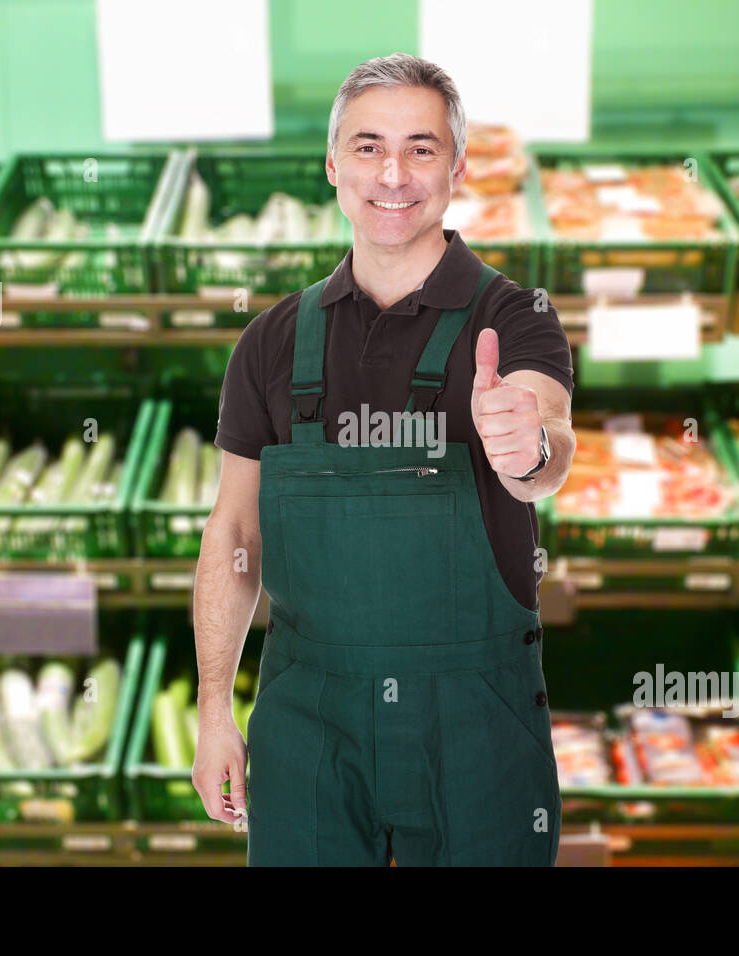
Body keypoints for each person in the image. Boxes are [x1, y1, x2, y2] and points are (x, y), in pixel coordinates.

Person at [190, 53, 574, 866]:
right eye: (367, 147)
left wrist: (526, 443)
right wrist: (213, 709)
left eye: (421, 148)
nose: (392, 173)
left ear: (458, 168)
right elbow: (233, 535)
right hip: (308, 721)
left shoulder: (517, 320)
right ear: (333, 165)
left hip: (478, 720)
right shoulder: (270, 342)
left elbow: (546, 447)